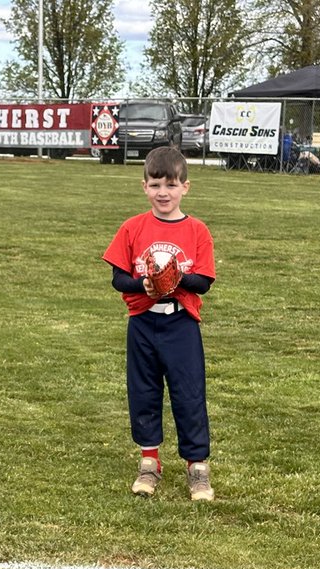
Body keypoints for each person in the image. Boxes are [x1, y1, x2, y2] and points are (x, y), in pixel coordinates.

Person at [102, 146, 218, 501]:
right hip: (142, 323)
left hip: (180, 325)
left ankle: (197, 466)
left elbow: (204, 281)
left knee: (188, 393)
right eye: (155, 185)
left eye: (171, 184)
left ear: (186, 186)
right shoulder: (133, 228)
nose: (163, 192)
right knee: (144, 392)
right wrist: (145, 284)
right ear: (144, 187)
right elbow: (119, 277)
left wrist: (174, 279)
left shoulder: (197, 230)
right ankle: (149, 461)